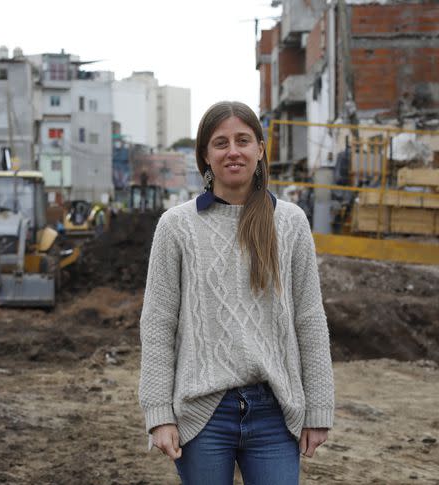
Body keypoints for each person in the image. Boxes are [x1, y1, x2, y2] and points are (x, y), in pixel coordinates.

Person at [138, 101, 334, 484]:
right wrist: (159, 413)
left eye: (243, 140)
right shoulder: (176, 226)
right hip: (203, 413)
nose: (233, 151)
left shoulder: (290, 222)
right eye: (221, 142)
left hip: (275, 411)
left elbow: (310, 319)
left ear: (260, 149)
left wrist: (320, 409)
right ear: (206, 157)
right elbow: (158, 324)